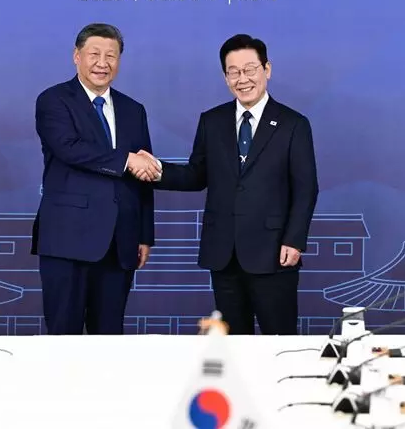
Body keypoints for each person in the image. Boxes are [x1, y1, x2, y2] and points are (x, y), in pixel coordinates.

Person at [136, 34, 318, 335]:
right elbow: (197, 175)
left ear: (267, 69)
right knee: (232, 344)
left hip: (274, 253)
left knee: (279, 340)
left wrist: (294, 240)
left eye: (250, 69)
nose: (242, 79)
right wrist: (156, 171)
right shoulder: (212, 121)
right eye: (233, 72)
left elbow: (306, 189)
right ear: (225, 77)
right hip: (224, 254)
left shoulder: (293, 124)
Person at [32, 23, 161, 335]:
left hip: (120, 242)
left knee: (110, 338)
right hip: (67, 239)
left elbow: (142, 175)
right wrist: (126, 160)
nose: (102, 63)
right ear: (77, 56)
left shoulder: (133, 110)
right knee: (64, 336)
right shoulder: (54, 100)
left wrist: (144, 234)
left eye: (111, 56)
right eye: (94, 54)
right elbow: (70, 148)